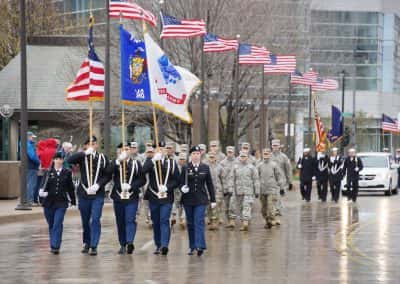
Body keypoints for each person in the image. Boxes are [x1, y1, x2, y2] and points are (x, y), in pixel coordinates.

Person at [67, 136, 111, 256]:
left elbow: (108, 175)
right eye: (90, 143)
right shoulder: (82, 157)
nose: (93, 145)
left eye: (94, 143)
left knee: (95, 219)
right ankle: (87, 242)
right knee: (85, 220)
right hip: (84, 193)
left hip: (97, 193)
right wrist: (84, 153)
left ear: (97, 145)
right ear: (86, 145)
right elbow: (69, 160)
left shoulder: (103, 158)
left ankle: (94, 245)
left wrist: (98, 185)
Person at [142, 141, 180, 256]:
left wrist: (167, 187)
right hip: (153, 196)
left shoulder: (172, 163)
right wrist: (153, 160)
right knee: (156, 221)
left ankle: (164, 245)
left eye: (163, 149)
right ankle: (158, 244)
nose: (161, 151)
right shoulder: (150, 161)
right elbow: (143, 171)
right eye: (158, 149)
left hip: (166, 197)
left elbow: (177, 180)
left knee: (164, 220)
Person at [109, 143, 146, 254]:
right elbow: (108, 171)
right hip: (118, 197)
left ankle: (130, 242)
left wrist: (132, 186)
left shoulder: (136, 163)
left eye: (128, 149)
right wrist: (118, 160)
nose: (126, 151)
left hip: (131, 197)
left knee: (130, 219)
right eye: (123, 149)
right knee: (120, 221)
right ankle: (123, 244)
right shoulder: (115, 163)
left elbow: (142, 180)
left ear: (131, 151)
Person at [180, 146, 216, 256]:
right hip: (188, 199)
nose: (196, 156)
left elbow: (209, 184)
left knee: (199, 221)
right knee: (190, 223)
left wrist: (213, 199)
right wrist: (182, 188)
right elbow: (181, 182)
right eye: (194, 154)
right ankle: (192, 246)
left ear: (200, 155)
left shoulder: (205, 167)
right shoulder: (186, 167)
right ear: (190, 155)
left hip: (201, 199)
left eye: (197, 153)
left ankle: (200, 245)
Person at [38, 152, 76, 254]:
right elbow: (42, 185)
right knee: (51, 224)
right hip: (48, 202)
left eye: (61, 159)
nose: (59, 161)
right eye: (57, 159)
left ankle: (56, 246)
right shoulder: (48, 172)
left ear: (63, 160)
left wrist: (73, 201)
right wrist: (41, 194)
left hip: (61, 202)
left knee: (57, 223)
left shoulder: (67, 172)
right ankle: (53, 243)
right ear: (54, 160)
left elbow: (70, 188)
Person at [227, 151, 260, 231]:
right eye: (241, 156)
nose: (243, 158)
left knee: (247, 206)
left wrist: (257, 191)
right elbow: (231, 178)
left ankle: (245, 223)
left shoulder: (252, 168)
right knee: (239, 207)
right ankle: (240, 220)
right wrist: (230, 189)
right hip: (237, 190)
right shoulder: (235, 167)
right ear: (239, 157)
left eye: (244, 156)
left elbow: (256, 180)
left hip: (248, 191)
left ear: (247, 157)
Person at [257, 148, 284, 228]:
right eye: (264, 153)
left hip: (272, 190)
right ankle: (267, 221)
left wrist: (281, 187)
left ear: (269, 155)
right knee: (263, 209)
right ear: (262, 154)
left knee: (270, 207)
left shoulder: (274, 165)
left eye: (267, 153)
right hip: (262, 190)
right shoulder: (259, 165)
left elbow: (279, 176)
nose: (265, 155)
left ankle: (272, 220)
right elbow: (255, 178)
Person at [205, 152, 225, 230]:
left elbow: (223, 178)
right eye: (210, 157)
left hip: (217, 190)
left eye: (213, 157)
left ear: (216, 158)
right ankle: (211, 219)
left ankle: (215, 221)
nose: (211, 158)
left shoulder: (220, 167)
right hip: (207, 190)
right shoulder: (205, 167)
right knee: (209, 206)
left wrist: (225, 188)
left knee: (215, 205)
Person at [220, 146, 237, 225]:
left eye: (231, 152)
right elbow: (220, 176)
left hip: (235, 187)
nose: (230, 154)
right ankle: (229, 219)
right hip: (225, 187)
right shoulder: (222, 163)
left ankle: (232, 220)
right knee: (226, 206)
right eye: (228, 152)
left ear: (234, 152)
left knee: (232, 205)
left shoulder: (237, 162)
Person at [172, 152, 187, 229]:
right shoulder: (174, 167)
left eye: (183, 159)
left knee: (184, 204)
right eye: (180, 159)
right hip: (176, 188)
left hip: (185, 189)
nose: (182, 161)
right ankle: (173, 217)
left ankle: (183, 219)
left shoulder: (188, 167)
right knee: (175, 202)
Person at [26, 131, 40, 205]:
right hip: (31, 166)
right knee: (31, 184)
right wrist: (39, 162)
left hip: (28, 166)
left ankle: (27, 200)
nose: (33, 139)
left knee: (29, 183)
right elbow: (32, 156)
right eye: (32, 137)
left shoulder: (25, 144)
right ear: (28, 137)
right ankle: (30, 201)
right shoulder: (28, 145)